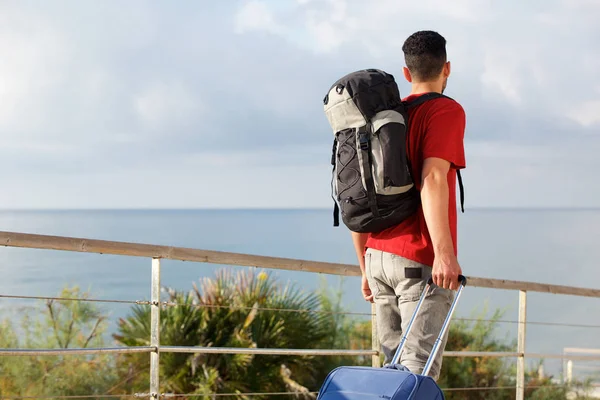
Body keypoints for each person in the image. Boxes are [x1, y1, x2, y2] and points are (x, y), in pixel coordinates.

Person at [351, 30, 466, 381]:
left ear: (406, 73)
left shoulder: (384, 118)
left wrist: (364, 266)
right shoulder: (445, 111)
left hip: (377, 258)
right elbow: (432, 179)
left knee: (393, 372)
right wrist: (444, 255)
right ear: (447, 68)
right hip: (418, 259)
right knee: (417, 374)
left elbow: (359, 191)